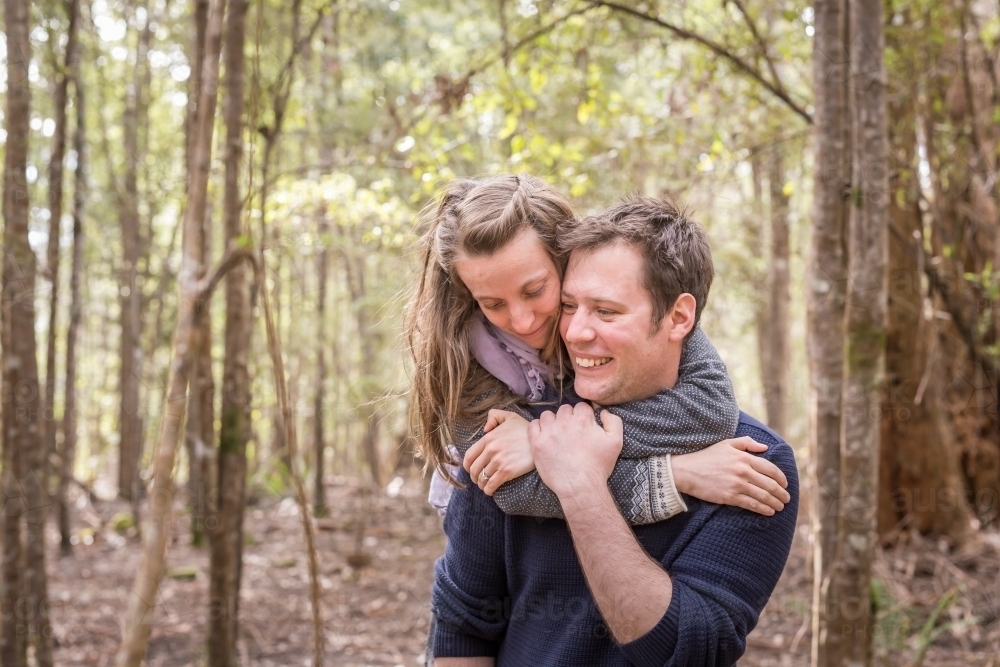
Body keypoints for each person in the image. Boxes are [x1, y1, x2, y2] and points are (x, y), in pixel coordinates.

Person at [427, 195, 799, 666]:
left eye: (606, 311)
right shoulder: (510, 431)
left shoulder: (753, 463)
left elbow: (687, 650)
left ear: (680, 318)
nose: (575, 331)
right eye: (568, 306)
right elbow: (463, 626)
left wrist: (581, 483)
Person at [407, 175, 790, 528]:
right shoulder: (460, 360)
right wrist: (676, 475)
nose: (522, 322)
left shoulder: (634, 307)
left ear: (566, 259)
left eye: (535, 290)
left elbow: (709, 410)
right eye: (493, 304)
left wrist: (543, 443)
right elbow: (515, 488)